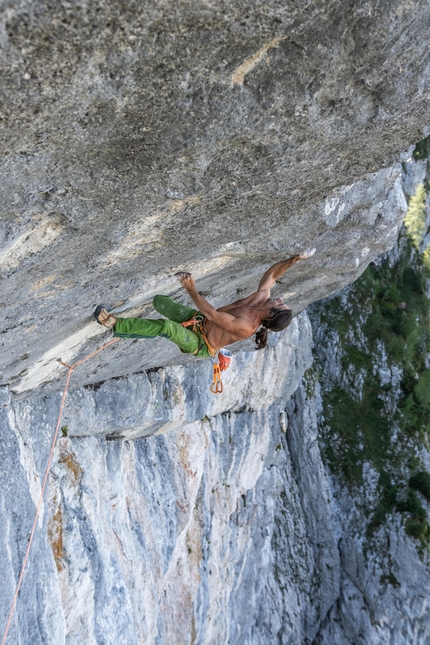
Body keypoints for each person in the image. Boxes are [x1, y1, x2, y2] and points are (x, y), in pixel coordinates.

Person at [94, 248, 316, 357]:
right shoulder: (261, 300)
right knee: (160, 302)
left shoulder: (245, 327)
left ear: (270, 315)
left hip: (200, 344)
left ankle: (115, 324)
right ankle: (131, 324)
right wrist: (294, 260)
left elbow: (213, 315)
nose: (279, 299)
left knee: (166, 327)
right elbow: (272, 275)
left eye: (279, 305)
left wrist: (191, 289)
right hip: (197, 321)